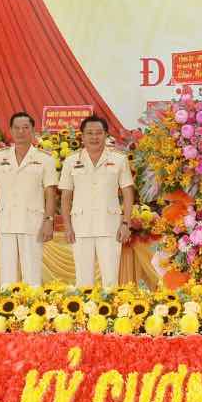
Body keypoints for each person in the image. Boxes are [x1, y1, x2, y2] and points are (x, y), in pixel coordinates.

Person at [59, 116, 134, 288]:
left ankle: (111, 313)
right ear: (82, 136)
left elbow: (128, 193)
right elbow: (65, 197)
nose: (94, 137)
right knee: (83, 281)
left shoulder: (119, 159)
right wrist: (68, 226)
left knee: (110, 280)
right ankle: (84, 313)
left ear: (106, 135)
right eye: (89, 133)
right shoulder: (71, 161)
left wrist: (126, 223)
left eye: (99, 133)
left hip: (110, 226)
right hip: (80, 227)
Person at [0, 111, 57, 286]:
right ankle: (6, 310)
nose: (21, 132)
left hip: (32, 222)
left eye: (26, 128)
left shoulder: (45, 159)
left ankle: (33, 310)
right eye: (16, 128)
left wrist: (49, 220)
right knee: (7, 276)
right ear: (10, 130)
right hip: (6, 221)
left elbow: (50, 193)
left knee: (32, 274)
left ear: (33, 130)